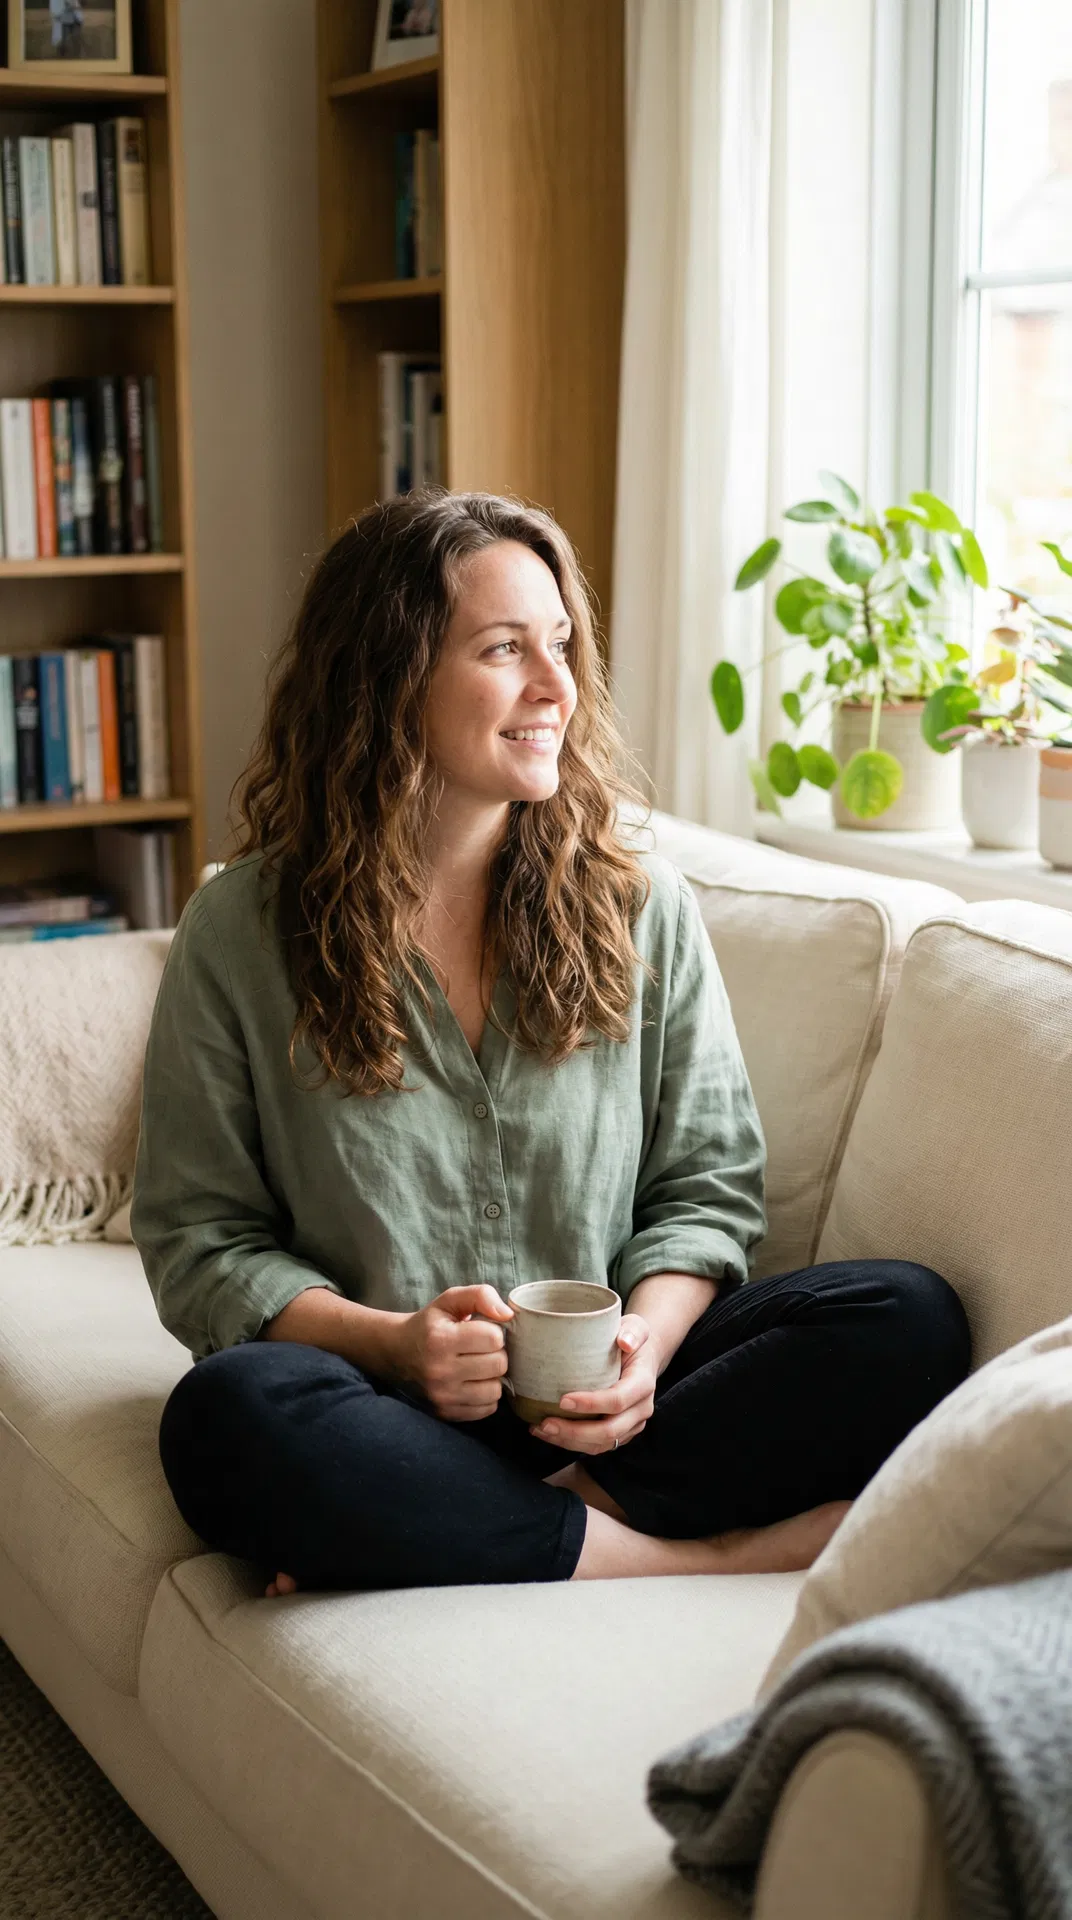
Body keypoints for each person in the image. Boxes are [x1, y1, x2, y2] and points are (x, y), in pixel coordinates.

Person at [133, 490, 971, 1599]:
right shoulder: (241, 931)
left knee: (901, 1318)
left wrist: (642, 1353)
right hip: (379, 1402)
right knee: (227, 1416)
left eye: (561, 644)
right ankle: (684, 1557)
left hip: (618, 1417)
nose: (555, 687)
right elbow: (201, 1240)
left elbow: (706, 1189)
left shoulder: (638, 905)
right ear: (387, 678)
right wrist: (395, 1345)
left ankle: (494, 1530)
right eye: (504, 649)